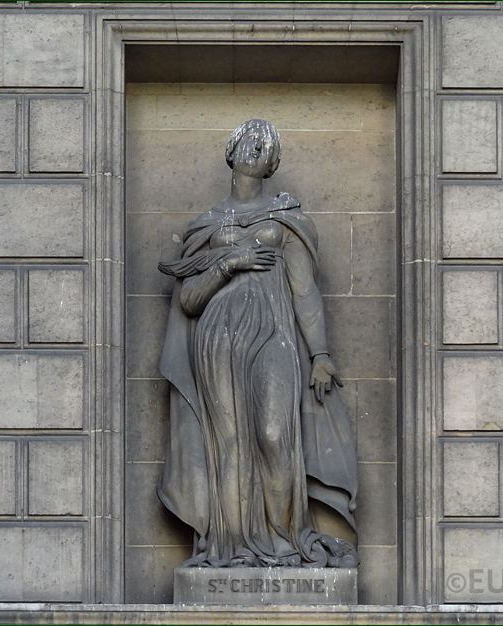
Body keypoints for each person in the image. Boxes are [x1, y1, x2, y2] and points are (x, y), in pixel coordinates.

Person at [157, 119, 358, 568]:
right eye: (248, 140)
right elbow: (188, 300)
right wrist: (230, 263)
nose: (255, 148)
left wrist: (320, 354)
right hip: (217, 341)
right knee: (227, 442)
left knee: (273, 434)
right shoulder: (207, 226)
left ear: (272, 163)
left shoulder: (287, 221)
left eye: (265, 145)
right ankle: (232, 550)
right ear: (231, 152)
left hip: (275, 334)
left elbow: (305, 290)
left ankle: (285, 541)